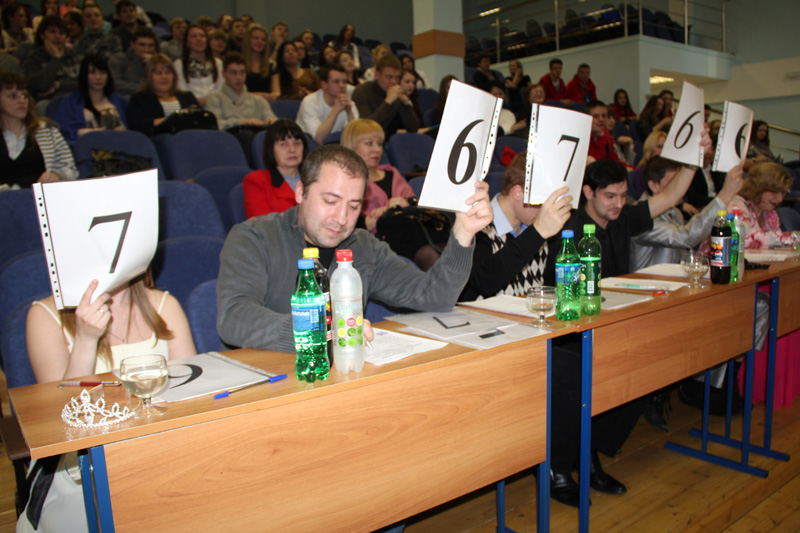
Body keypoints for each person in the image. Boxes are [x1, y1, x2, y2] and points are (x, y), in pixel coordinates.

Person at [215, 143, 493, 352]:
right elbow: (234, 317)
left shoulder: (364, 247)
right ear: (300, 192)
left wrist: (463, 233)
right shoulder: (254, 237)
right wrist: (323, 331)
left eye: (353, 206)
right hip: (273, 382)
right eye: (330, 201)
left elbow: (435, 297)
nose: (341, 218)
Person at [19, 271, 195, 533]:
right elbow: (60, 419)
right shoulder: (44, 315)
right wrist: (86, 340)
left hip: (156, 450)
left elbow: (191, 396)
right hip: (80, 466)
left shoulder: (164, 305)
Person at [460, 152, 572, 301]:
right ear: (518, 193)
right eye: (542, 202)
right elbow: (484, 282)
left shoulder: (533, 229)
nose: (546, 211)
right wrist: (538, 232)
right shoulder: (477, 228)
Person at [630, 156, 743, 271]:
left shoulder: (675, 212)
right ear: (653, 185)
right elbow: (685, 237)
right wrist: (724, 195)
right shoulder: (639, 216)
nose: (682, 188)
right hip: (648, 282)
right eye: (674, 182)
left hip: (671, 280)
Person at [0, 72, 77, 189]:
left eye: (24, 96)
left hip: (37, 198)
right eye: (12, 96)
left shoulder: (48, 132)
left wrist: (57, 176)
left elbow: (71, 170)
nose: (21, 101)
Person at [340, 118, 414, 232]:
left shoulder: (393, 173)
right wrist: (388, 212)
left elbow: (414, 207)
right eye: (369, 143)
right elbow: (350, 225)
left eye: (379, 144)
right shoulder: (346, 181)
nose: (377, 149)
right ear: (351, 147)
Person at [204, 51, 276, 164]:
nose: (238, 77)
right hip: (227, 143)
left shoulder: (258, 100)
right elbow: (215, 125)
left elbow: (272, 117)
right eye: (233, 73)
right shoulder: (215, 97)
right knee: (247, 136)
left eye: (242, 72)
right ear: (224, 74)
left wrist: (270, 121)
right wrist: (243, 122)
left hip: (257, 139)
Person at [52, 54, 127, 144]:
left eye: (102, 72)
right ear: (84, 75)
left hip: (119, 146)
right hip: (85, 148)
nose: (98, 77)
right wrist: (102, 132)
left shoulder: (118, 100)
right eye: (92, 73)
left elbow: (128, 130)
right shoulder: (70, 102)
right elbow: (65, 134)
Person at [242, 119, 307, 218]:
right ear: (271, 149)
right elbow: (261, 225)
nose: (292, 149)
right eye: (284, 144)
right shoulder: (257, 181)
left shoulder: (315, 178)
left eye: (297, 143)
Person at [125, 53, 200, 135]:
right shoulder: (139, 99)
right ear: (149, 76)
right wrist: (173, 119)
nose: (164, 77)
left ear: (174, 76)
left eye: (168, 72)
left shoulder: (187, 97)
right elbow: (135, 126)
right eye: (158, 73)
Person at [726, 162, 793, 249]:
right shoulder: (736, 206)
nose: (780, 199)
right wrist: (790, 238)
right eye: (775, 192)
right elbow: (744, 239)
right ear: (759, 187)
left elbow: (777, 241)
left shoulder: (769, 213)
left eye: (783, 193)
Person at [352, 55, 418, 139]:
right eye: (389, 77)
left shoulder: (396, 93)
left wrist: (406, 104)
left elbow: (413, 129)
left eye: (397, 78)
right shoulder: (362, 91)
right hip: (367, 140)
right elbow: (366, 128)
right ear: (377, 75)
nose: (394, 82)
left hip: (390, 141)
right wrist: (388, 102)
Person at [23, 16, 80, 108]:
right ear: (42, 35)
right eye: (52, 32)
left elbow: (85, 83)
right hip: (50, 103)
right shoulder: (33, 59)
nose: (57, 36)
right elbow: (40, 86)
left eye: (61, 33)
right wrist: (56, 59)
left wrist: (58, 84)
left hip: (76, 99)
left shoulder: (74, 57)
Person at [296, 64, 358, 145]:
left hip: (336, 146)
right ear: (324, 84)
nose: (342, 85)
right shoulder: (309, 102)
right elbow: (318, 140)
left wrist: (349, 113)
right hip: (309, 146)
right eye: (336, 81)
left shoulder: (349, 103)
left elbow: (356, 139)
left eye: (344, 82)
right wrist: (335, 110)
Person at [174, 24, 223, 105]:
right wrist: (200, 102)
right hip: (192, 106)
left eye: (202, 36)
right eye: (193, 36)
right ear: (187, 43)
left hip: (216, 105)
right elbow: (183, 92)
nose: (198, 39)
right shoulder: (179, 64)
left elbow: (220, 90)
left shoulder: (218, 63)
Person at [108, 27, 157, 97]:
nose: (146, 49)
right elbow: (115, 83)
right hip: (127, 97)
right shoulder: (117, 59)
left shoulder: (158, 62)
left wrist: (154, 64)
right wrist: (145, 88)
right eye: (142, 45)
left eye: (150, 45)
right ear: (132, 44)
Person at [242, 24, 272, 101]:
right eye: (255, 38)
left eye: (263, 39)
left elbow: (277, 92)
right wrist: (259, 95)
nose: (259, 41)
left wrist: (272, 96)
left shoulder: (272, 65)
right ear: (248, 40)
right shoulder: (239, 64)